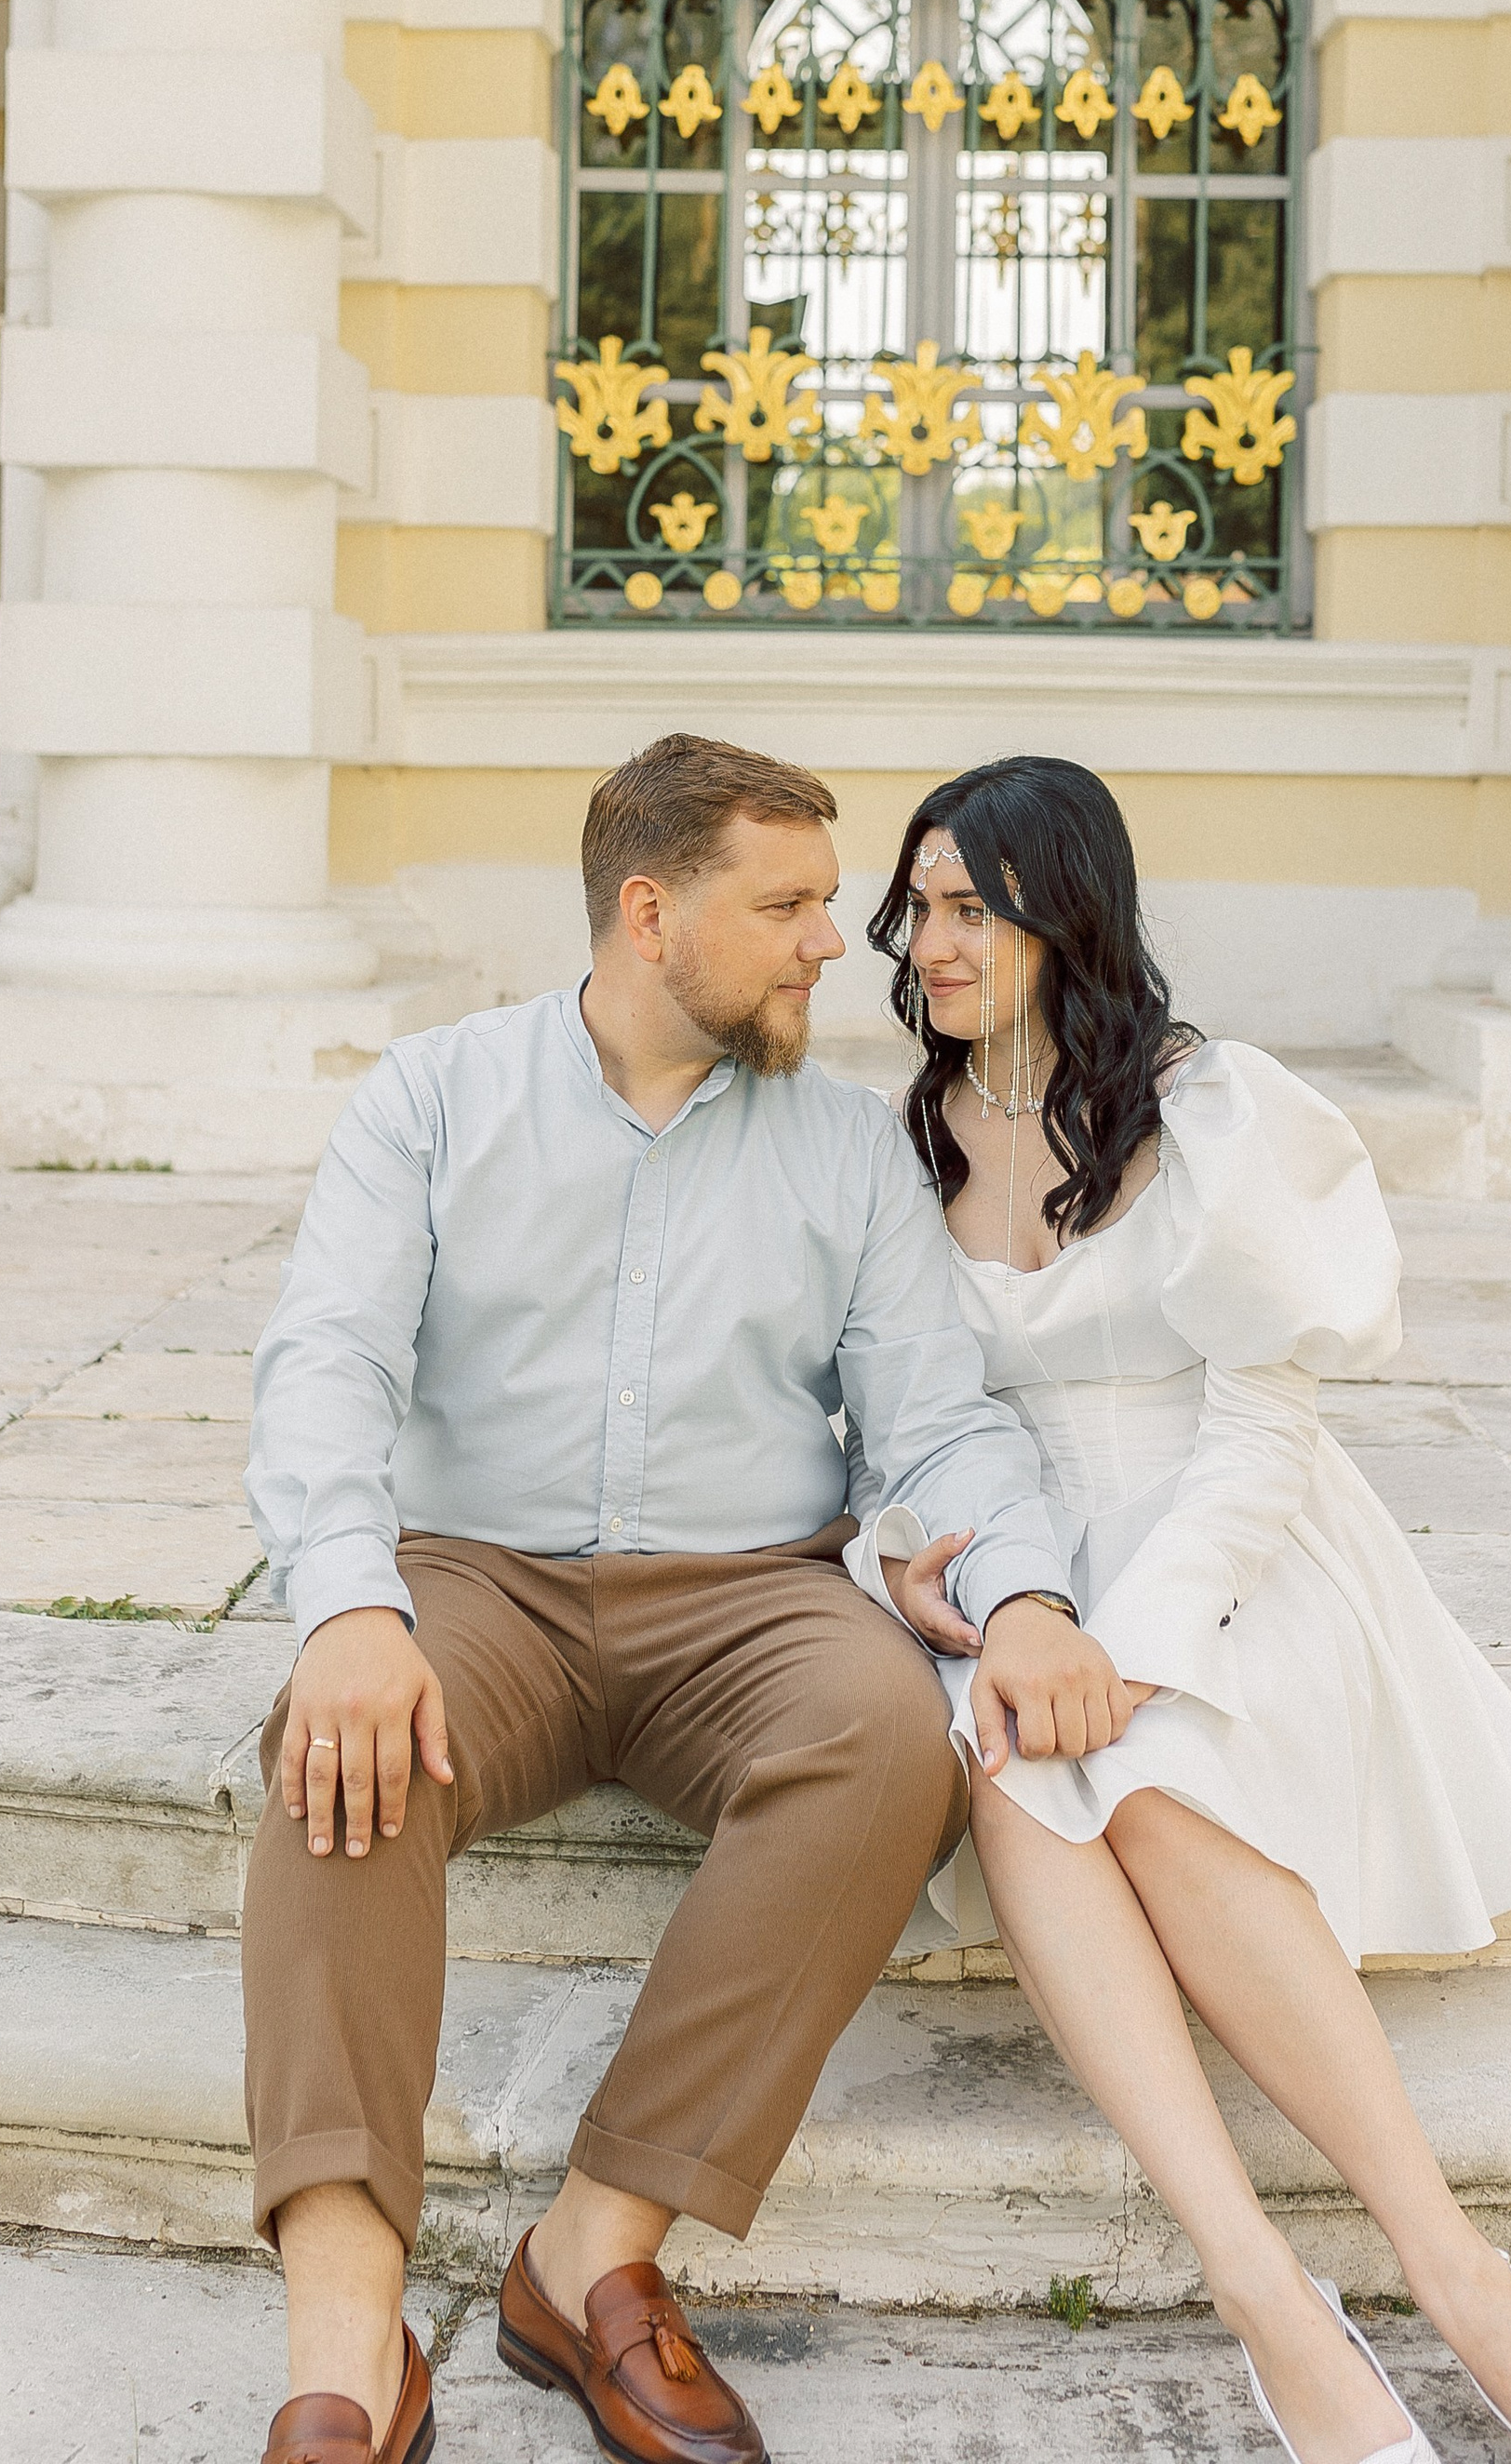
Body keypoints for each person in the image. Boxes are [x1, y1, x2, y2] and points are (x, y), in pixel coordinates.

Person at [242, 731, 1135, 2464]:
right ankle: (344, 2334)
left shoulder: (851, 1154)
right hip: (476, 1583)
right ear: (649, 916)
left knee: (888, 1737)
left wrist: (1023, 1597)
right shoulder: (431, 1099)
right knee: (335, 1748)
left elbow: (937, 1421)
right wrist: (347, 1606)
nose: (835, 944)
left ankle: (595, 2248)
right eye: (788, 904)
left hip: (745, 1600)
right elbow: (325, 1361)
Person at [852, 755, 1511, 2464]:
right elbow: (885, 1425)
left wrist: (1135, 1649)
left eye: (963, 908)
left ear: (1059, 912)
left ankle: (1457, 2275)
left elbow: (1264, 1426)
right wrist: (912, 1565)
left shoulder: (1210, 1109)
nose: (925, 942)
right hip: (1020, 1558)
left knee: (1136, 1778)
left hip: (1234, 1542)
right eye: (915, 906)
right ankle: (1266, 2298)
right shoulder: (897, 1144)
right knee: (1011, 1755)